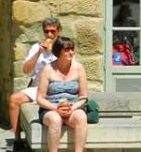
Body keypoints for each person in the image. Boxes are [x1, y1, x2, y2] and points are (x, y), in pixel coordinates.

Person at [9, 17, 62, 147]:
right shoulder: (36, 48)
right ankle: (17, 139)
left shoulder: (63, 47)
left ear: (59, 31)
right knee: (14, 100)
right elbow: (26, 70)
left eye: (53, 31)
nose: (49, 34)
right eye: (46, 31)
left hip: (55, 87)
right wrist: (39, 52)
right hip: (37, 87)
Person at [35, 36, 89, 152]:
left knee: (81, 117)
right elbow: (40, 98)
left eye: (72, 49)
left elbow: (83, 97)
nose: (71, 52)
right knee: (55, 120)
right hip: (51, 108)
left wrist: (71, 108)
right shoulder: (48, 69)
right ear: (58, 52)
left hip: (72, 107)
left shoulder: (79, 68)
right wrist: (56, 109)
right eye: (67, 50)